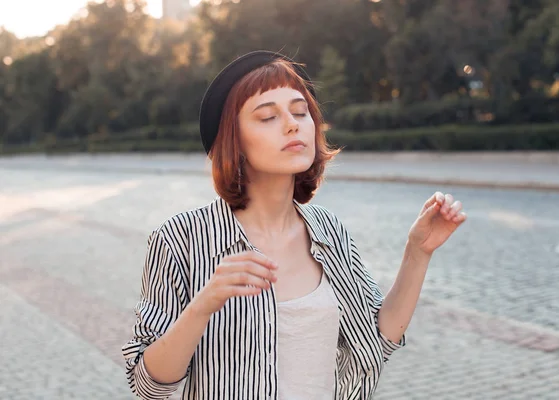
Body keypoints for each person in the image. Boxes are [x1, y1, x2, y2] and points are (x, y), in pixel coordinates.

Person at [122, 50, 467, 400]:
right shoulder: (180, 239)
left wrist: (418, 252)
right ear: (234, 141)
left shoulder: (329, 232)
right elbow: (147, 385)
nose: (292, 124)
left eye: (300, 112)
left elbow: (378, 339)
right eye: (268, 116)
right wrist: (203, 304)